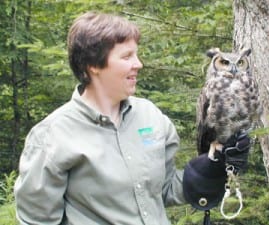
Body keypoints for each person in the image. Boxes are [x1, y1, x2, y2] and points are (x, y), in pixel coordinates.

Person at [14, 11, 250, 225]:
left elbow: (165, 190)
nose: (138, 64)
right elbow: (37, 221)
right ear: (93, 65)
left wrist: (212, 166)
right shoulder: (52, 136)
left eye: (136, 55)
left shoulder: (151, 117)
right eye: (127, 56)